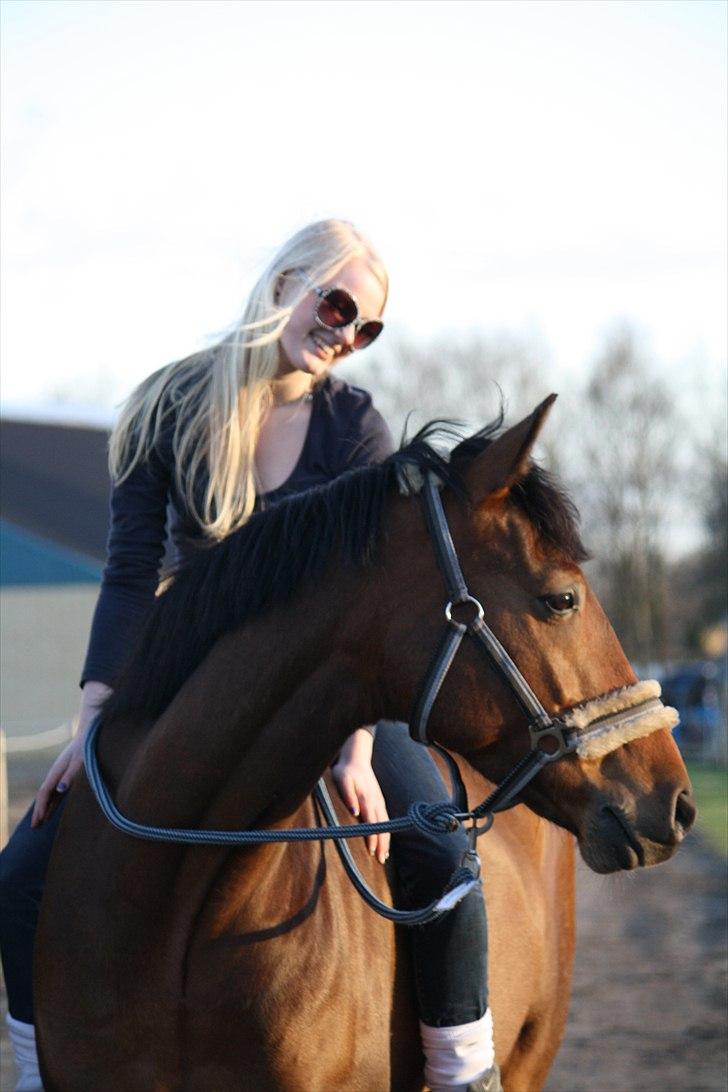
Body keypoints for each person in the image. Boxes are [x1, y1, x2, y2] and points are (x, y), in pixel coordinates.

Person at [0, 219, 499, 1092]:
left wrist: (356, 753)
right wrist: (92, 725)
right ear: (285, 284)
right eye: (339, 304)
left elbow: (376, 594)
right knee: (19, 879)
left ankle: (465, 1075)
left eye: (368, 327)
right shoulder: (169, 404)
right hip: (185, 692)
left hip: (337, 700)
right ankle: (39, 1074)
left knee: (443, 856)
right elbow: (128, 575)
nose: (347, 333)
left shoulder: (355, 428)